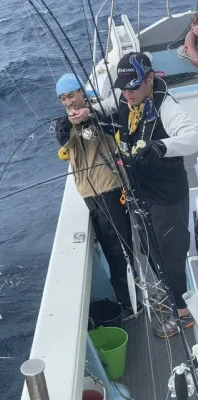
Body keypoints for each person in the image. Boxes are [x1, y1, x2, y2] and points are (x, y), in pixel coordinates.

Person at [76, 52, 198, 338]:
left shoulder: (166, 106)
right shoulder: (122, 99)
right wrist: (85, 113)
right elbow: (105, 106)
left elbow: (193, 136)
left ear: (150, 79)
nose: (127, 93)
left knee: (170, 255)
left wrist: (160, 147)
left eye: (133, 87)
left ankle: (182, 314)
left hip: (166, 196)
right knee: (150, 250)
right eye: (124, 87)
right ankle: (170, 295)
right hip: (139, 194)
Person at [55, 73, 142, 322]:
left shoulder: (103, 112)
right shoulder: (64, 124)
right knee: (110, 249)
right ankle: (129, 299)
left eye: (71, 95)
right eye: (63, 98)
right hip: (89, 195)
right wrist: (73, 123)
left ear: (82, 92)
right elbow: (63, 139)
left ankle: (131, 303)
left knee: (119, 251)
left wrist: (90, 117)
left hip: (110, 189)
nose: (68, 102)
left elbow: (114, 127)